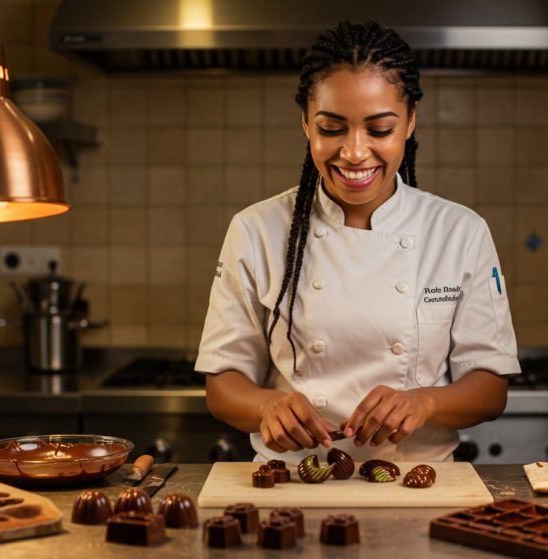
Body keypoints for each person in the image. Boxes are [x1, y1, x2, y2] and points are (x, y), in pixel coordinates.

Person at [196, 20, 520, 463]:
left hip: (418, 484)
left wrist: (424, 402)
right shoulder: (255, 229)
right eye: (331, 128)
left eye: (379, 129)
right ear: (306, 123)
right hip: (293, 483)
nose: (354, 152)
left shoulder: (459, 231)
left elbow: (490, 388)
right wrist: (266, 405)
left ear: (410, 121)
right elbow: (222, 383)